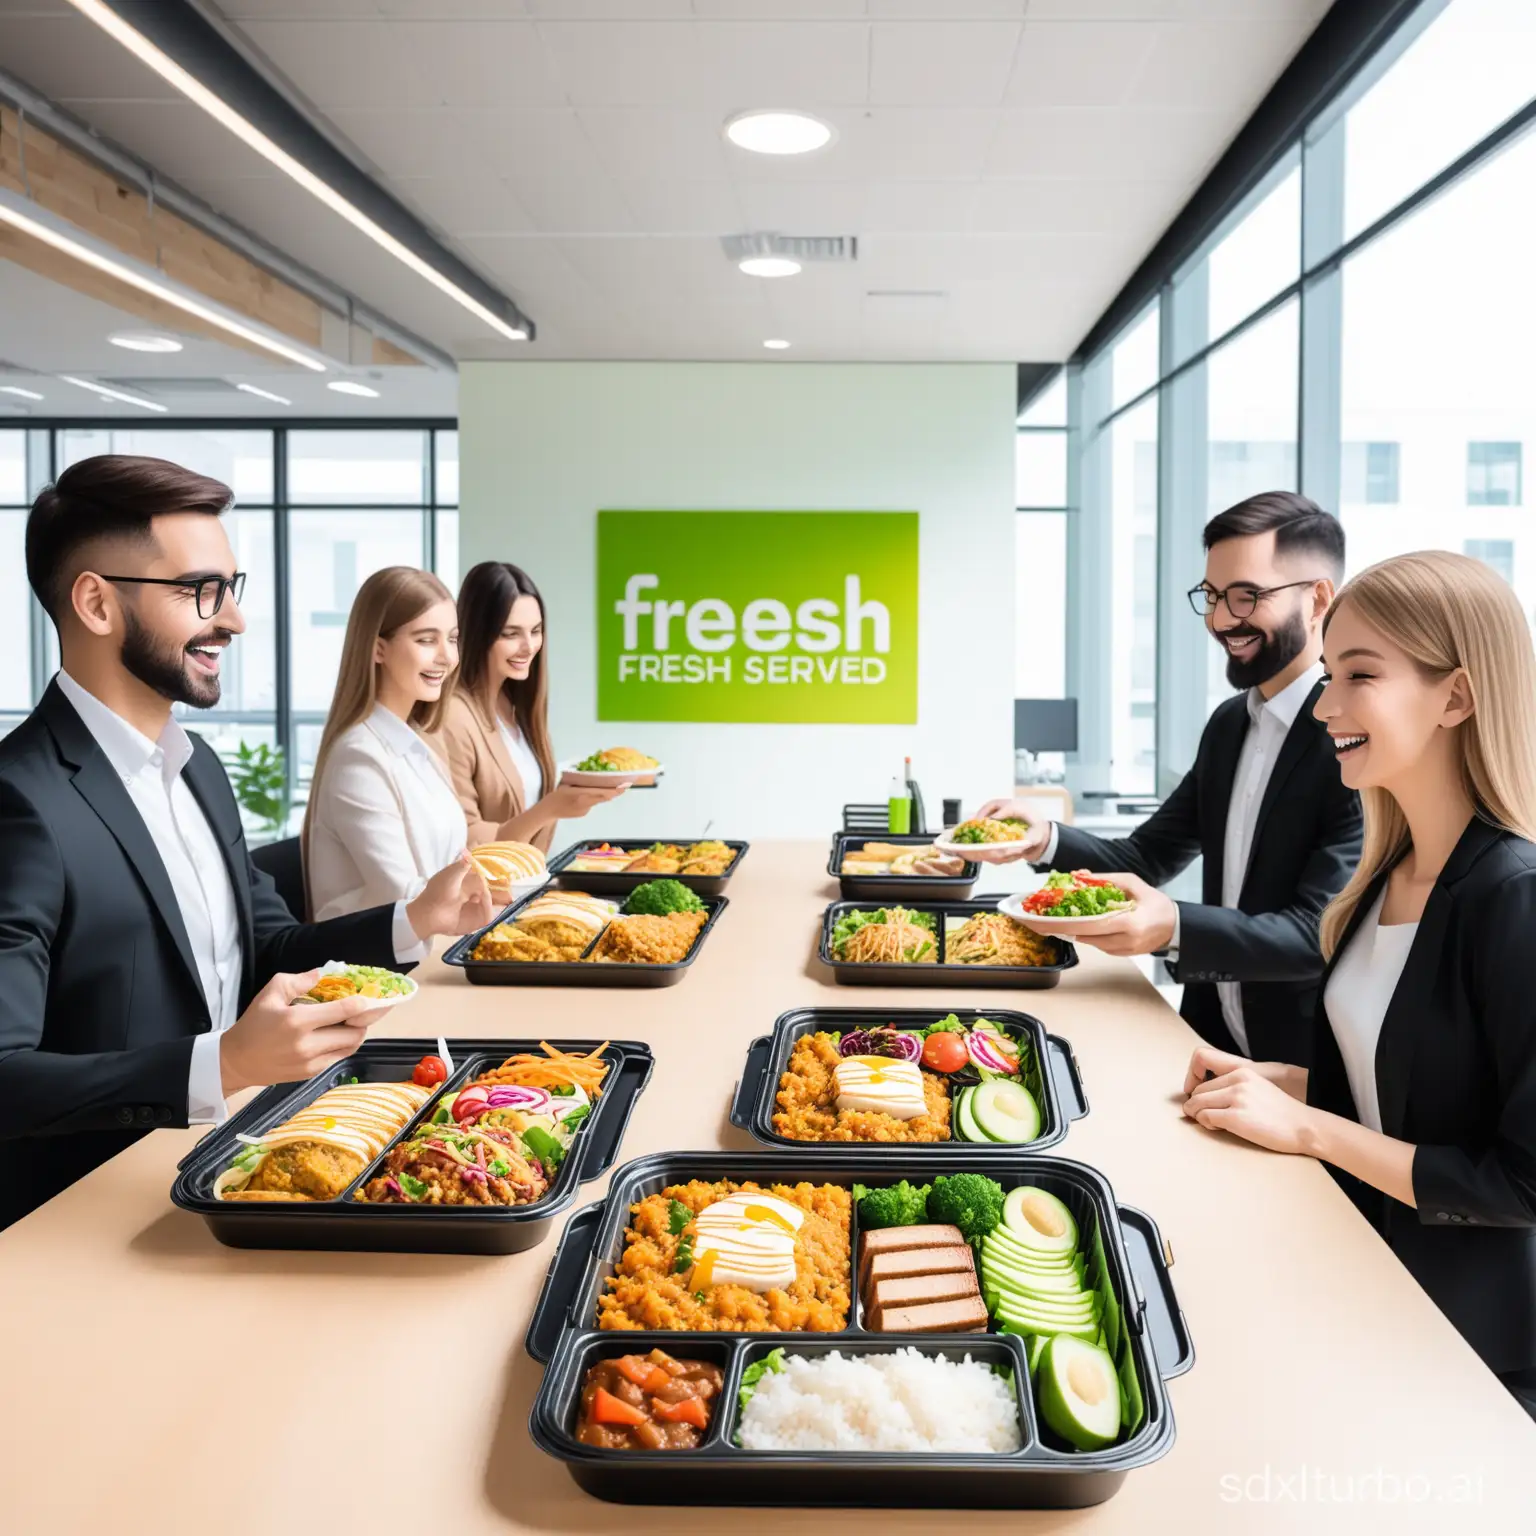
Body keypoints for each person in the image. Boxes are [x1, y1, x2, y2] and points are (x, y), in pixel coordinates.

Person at [0, 456, 492, 1229]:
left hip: (235, 1172)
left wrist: (412, 921)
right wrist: (222, 1063)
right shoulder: (19, 799)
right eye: (201, 591)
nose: (232, 619)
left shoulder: (199, 772)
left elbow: (266, 947)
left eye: (233, 589)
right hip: (88, 1221)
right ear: (95, 602)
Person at [1181, 551, 1536, 1420]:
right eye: (1331, 673)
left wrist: (1307, 1127)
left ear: (1456, 696)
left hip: (1468, 1349)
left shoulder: (1513, 897)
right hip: (1362, 1285)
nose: (1327, 706)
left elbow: (1520, 1184)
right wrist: (1279, 1085)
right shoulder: (1390, 872)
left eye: (1360, 676)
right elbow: (1405, 1093)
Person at [977, 492, 1362, 1066]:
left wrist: (1173, 926)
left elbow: (1318, 934)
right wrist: (1045, 838)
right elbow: (1147, 857)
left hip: (1305, 1068)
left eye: (1245, 596)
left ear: (1318, 599)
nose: (1221, 620)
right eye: (1211, 596)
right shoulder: (1231, 724)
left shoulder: (1351, 739)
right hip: (1210, 1046)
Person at [303, 566, 470, 920]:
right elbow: (405, 895)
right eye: (427, 640)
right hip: (379, 969)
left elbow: (453, 866)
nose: (447, 657)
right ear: (378, 649)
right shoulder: (359, 757)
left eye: (452, 638)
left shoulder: (413, 744)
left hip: (434, 946)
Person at [442, 560, 622, 852]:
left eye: (535, 631)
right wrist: (552, 808)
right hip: (484, 894)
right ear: (476, 634)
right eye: (510, 634)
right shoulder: (452, 717)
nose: (529, 646)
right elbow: (465, 838)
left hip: (524, 886)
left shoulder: (514, 705)